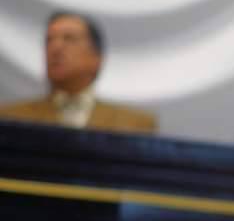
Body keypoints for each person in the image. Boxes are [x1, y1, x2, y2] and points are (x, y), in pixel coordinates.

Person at [0, 11, 157, 133]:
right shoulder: (10, 119)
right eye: (49, 40)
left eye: (69, 39)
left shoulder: (135, 125)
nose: (55, 48)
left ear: (96, 58)